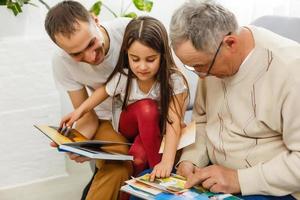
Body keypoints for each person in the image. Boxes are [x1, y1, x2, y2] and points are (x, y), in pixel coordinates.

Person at [169, 1, 300, 199]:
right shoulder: (210, 63)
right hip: (211, 177)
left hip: (270, 188)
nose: (200, 76)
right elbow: (202, 121)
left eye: (201, 66)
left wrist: (239, 180)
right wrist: (190, 161)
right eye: (192, 67)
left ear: (231, 43)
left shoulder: (291, 70)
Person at [60, 16, 189, 180]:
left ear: (163, 55)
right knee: (147, 108)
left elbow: (173, 120)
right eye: (135, 59)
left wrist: (167, 162)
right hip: (127, 125)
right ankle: (161, 179)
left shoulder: (173, 80)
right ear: (126, 54)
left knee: (139, 157)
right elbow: (103, 92)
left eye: (150, 59)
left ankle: (139, 189)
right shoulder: (125, 77)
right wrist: (79, 111)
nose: (142, 67)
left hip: (152, 130)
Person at [44, 1, 132, 200]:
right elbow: (87, 117)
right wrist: (78, 145)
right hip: (107, 120)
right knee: (117, 168)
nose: (91, 57)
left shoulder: (128, 31)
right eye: (76, 54)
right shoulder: (61, 62)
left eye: (91, 43)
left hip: (147, 113)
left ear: (95, 19)